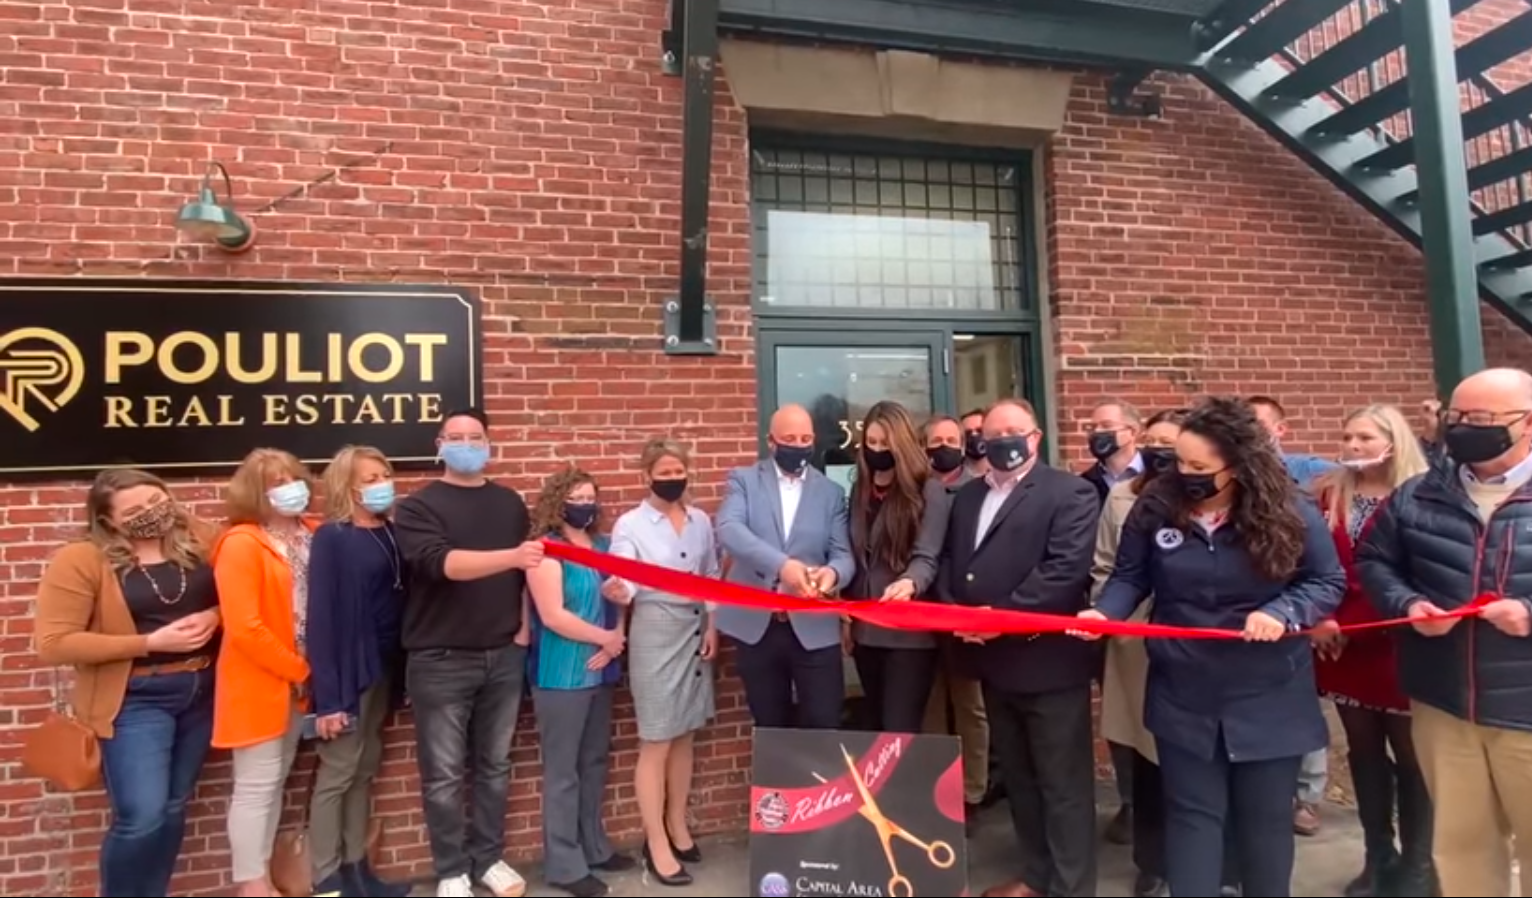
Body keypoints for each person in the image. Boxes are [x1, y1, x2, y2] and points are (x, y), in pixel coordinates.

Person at [1076, 397, 1345, 897]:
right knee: (1192, 819)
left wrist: (1282, 613)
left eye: (1201, 467)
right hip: (1184, 692)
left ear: (1239, 465)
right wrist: (1105, 614)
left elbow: (1326, 580)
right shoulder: (1156, 505)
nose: (1186, 474)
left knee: (1264, 826)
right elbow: (1130, 576)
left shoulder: (1288, 509)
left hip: (1268, 695)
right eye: (1181, 462)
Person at [1355, 367, 1532, 898]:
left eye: (1480, 420)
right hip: (1444, 704)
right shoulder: (1419, 494)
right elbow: (1375, 560)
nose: (1462, 430)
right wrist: (1408, 604)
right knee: (1461, 850)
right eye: (1456, 417)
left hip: (1525, 710)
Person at [939, 398, 1100, 898]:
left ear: (1036, 438)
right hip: (992, 662)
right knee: (1023, 783)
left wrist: (1000, 619)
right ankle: (1036, 875)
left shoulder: (1070, 492)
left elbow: (1063, 571)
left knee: (1062, 785)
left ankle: (1072, 887)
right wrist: (957, 615)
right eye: (993, 432)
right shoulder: (967, 496)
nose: (1003, 439)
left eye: (1015, 430)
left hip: (1047, 662)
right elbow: (951, 562)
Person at [35, 469, 221, 897]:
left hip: (199, 691)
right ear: (108, 521)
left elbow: (240, 595)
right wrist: (148, 641)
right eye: (135, 511)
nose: (153, 515)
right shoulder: (82, 559)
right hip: (137, 698)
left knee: (174, 807)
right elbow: (54, 642)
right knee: (142, 815)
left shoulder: (197, 538)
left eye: (157, 501)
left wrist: (216, 616)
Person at [393, 408, 546, 898]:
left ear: (488, 443)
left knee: (495, 766)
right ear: (439, 444)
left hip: (503, 654)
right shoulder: (417, 508)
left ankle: (490, 859)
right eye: (455, 437)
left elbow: (525, 577)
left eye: (474, 436)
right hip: (440, 659)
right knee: (441, 775)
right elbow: (443, 565)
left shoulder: (508, 503)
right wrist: (513, 556)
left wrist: (522, 629)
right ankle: (451, 869)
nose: (466, 443)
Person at [1307, 405, 1434, 897]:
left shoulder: (1423, 494)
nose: (1353, 445)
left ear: (1393, 440)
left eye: (1364, 436)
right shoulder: (1327, 493)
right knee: (1363, 751)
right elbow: (1313, 563)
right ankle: (1378, 856)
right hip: (1340, 642)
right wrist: (1321, 616)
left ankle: (1421, 865)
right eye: (1347, 436)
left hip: (1399, 639)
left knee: (1411, 755)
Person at [608, 439, 721, 887]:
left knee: (685, 734)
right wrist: (620, 590)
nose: (673, 478)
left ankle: (677, 825)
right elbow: (625, 572)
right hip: (655, 629)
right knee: (656, 738)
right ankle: (654, 842)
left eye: (679, 471)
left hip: (695, 627)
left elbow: (712, 572)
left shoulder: (700, 519)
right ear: (647, 475)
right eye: (665, 471)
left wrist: (713, 624)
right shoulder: (630, 523)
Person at [213, 448, 320, 898]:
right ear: (255, 493)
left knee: (279, 778)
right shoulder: (241, 542)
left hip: (306, 677)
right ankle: (252, 883)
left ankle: (266, 874)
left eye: (292, 477)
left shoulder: (316, 532)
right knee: (256, 783)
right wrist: (297, 668)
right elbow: (244, 627)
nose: (288, 487)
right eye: (275, 482)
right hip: (264, 676)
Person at [304, 446, 411, 898]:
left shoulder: (391, 531)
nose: (381, 482)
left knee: (365, 768)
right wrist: (329, 699)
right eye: (370, 477)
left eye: (384, 473)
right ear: (347, 486)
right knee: (339, 770)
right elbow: (323, 618)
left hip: (386, 665)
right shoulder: (334, 536)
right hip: (350, 669)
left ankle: (357, 869)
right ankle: (327, 877)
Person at [1090, 407, 1186, 897]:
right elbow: (1107, 566)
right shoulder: (1124, 497)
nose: (1159, 449)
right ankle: (1152, 860)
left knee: (1190, 763)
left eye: (1170, 442)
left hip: (1195, 648)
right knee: (1146, 761)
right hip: (1134, 644)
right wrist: (1110, 618)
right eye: (1152, 440)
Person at [525, 468, 632, 898]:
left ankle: (594, 846)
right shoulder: (546, 550)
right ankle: (565, 865)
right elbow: (552, 615)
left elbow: (620, 595)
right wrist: (603, 637)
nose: (585, 504)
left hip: (602, 667)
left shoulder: (604, 546)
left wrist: (617, 633)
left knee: (594, 763)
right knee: (563, 771)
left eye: (590, 496)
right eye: (576, 496)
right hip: (561, 672)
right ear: (558, 501)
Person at [715, 403, 855, 729]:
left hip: (813, 625)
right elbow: (729, 529)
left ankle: (820, 783)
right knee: (770, 724)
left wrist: (831, 574)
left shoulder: (831, 492)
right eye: (790, 437)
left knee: (823, 721)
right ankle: (777, 783)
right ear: (772, 441)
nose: (799, 445)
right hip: (757, 627)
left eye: (806, 438)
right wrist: (782, 566)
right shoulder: (744, 480)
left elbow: (843, 555)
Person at [1248, 393, 1335, 837]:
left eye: (1261, 424)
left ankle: (1308, 797)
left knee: (1305, 705)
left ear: (1281, 430)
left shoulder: (1309, 474)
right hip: (1253, 619)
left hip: (1298, 609)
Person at [844, 401, 953, 733]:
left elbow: (927, 556)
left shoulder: (927, 490)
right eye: (872, 443)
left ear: (902, 444)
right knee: (876, 722)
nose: (878, 451)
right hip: (866, 629)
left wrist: (910, 583)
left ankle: (903, 787)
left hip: (909, 633)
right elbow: (855, 555)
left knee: (900, 727)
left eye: (885, 444)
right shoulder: (860, 489)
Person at [920, 414, 992, 826]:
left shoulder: (978, 491)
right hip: (921, 611)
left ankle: (972, 794)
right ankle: (933, 790)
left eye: (952, 439)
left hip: (964, 609)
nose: (944, 446)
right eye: (936, 440)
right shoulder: (916, 490)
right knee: (930, 703)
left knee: (970, 706)